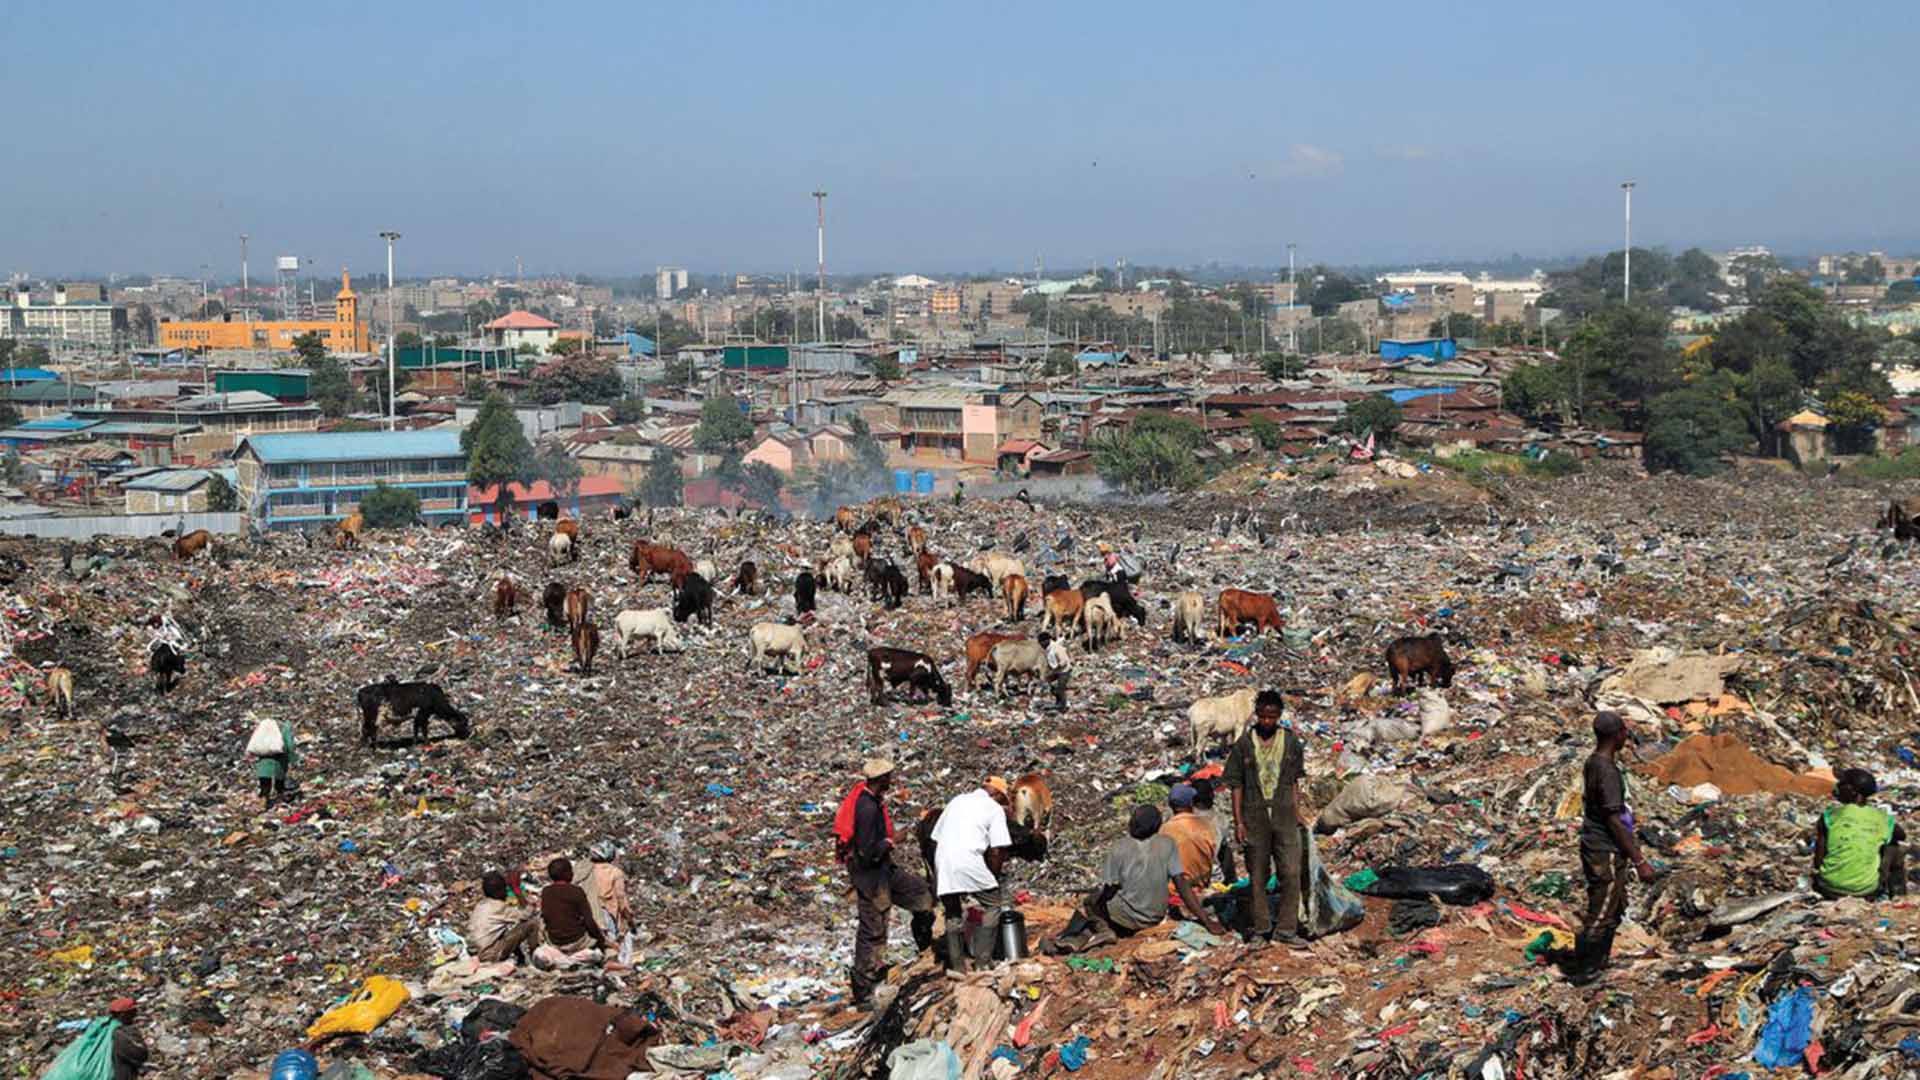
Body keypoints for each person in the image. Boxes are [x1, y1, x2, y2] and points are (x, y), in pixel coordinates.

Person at [1050, 806, 1226, 953]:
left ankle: (1104, 930)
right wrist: (1207, 920)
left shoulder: (1119, 847)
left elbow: (1110, 889)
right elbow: (1182, 885)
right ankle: (1095, 932)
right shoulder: (1167, 844)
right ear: (1157, 826)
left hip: (1127, 918)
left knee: (1091, 901)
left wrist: (1100, 900)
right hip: (1155, 917)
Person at [835, 758, 936, 1008]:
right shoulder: (867, 808)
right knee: (873, 930)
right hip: (871, 875)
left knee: (923, 897)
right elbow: (868, 852)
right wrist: (892, 841)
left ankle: (928, 947)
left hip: (885, 870)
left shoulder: (873, 802)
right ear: (882, 780)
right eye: (889, 777)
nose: (892, 781)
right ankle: (864, 991)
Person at [1565, 711, 1655, 986]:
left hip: (1596, 844)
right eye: (1624, 732)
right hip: (1605, 848)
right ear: (1617, 735)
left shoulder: (1594, 762)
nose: (1626, 737)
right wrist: (1639, 860)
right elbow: (1613, 819)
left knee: (1612, 907)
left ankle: (1598, 963)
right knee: (1603, 909)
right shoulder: (1607, 771)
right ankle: (1584, 971)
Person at [1224, 689, 1309, 946]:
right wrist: (1239, 822)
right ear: (1256, 715)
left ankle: (1286, 929)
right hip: (1254, 814)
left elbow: (1294, 780)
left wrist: (1296, 810)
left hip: (1283, 813)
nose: (1267, 722)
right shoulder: (1244, 744)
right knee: (1258, 875)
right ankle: (1261, 928)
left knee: (1291, 872)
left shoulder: (1291, 742)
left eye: (1272, 717)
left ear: (1279, 716)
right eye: (1263, 717)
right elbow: (1235, 785)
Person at [929, 776, 1014, 969]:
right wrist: (993, 875)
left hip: (943, 861)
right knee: (993, 905)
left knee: (952, 913)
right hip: (967, 860)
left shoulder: (957, 800)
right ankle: (983, 962)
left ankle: (957, 967)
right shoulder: (994, 810)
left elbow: (935, 837)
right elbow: (997, 849)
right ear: (998, 795)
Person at [1813, 768, 1907, 900]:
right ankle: (1898, 897)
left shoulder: (1830, 815)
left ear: (1852, 791)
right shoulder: (1883, 818)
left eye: (1842, 784)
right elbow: (1902, 835)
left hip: (1828, 887)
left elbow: (1818, 862)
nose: (1837, 787)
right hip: (1865, 891)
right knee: (1895, 847)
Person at [1159, 783, 1229, 911]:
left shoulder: (1164, 829)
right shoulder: (1208, 825)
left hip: (1175, 887)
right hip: (1204, 883)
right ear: (1191, 803)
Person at [539, 858, 608, 961]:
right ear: (566, 874)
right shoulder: (576, 892)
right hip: (577, 941)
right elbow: (589, 921)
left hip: (554, 941)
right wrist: (601, 939)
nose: (572, 874)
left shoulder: (546, 892)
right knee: (602, 952)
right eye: (571, 871)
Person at [470, 871, 543, 964]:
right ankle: (536, 957)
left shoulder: (480, 905)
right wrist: (517, 891)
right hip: (490, 954)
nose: (507, 893)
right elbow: (527, 914)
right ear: (498, 892)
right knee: (532, 923)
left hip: (477, 953)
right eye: (505, 889)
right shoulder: (499, 907)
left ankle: (521, 959)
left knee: (509, 931)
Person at [582, 842, 633, 938]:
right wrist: (629, 919)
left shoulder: (586, 870)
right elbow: (621, 898)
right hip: (606, 915)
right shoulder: (615, 872)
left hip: (586, 914)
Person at [253, 716, 295, 808]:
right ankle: (279, 803)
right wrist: (293, 760)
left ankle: (263, 804)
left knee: (265, 786)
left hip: (263, 762)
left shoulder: (264, 726)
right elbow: (289, 745)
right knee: (279, 785)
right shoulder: (285, 726)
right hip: (278, 761)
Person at [109, 997, 148, 1080]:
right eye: (133, 1011)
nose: (135, 1014)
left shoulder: (105, 1029)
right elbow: (140, 1054)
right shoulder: (120, 1033)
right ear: (123, 1014)